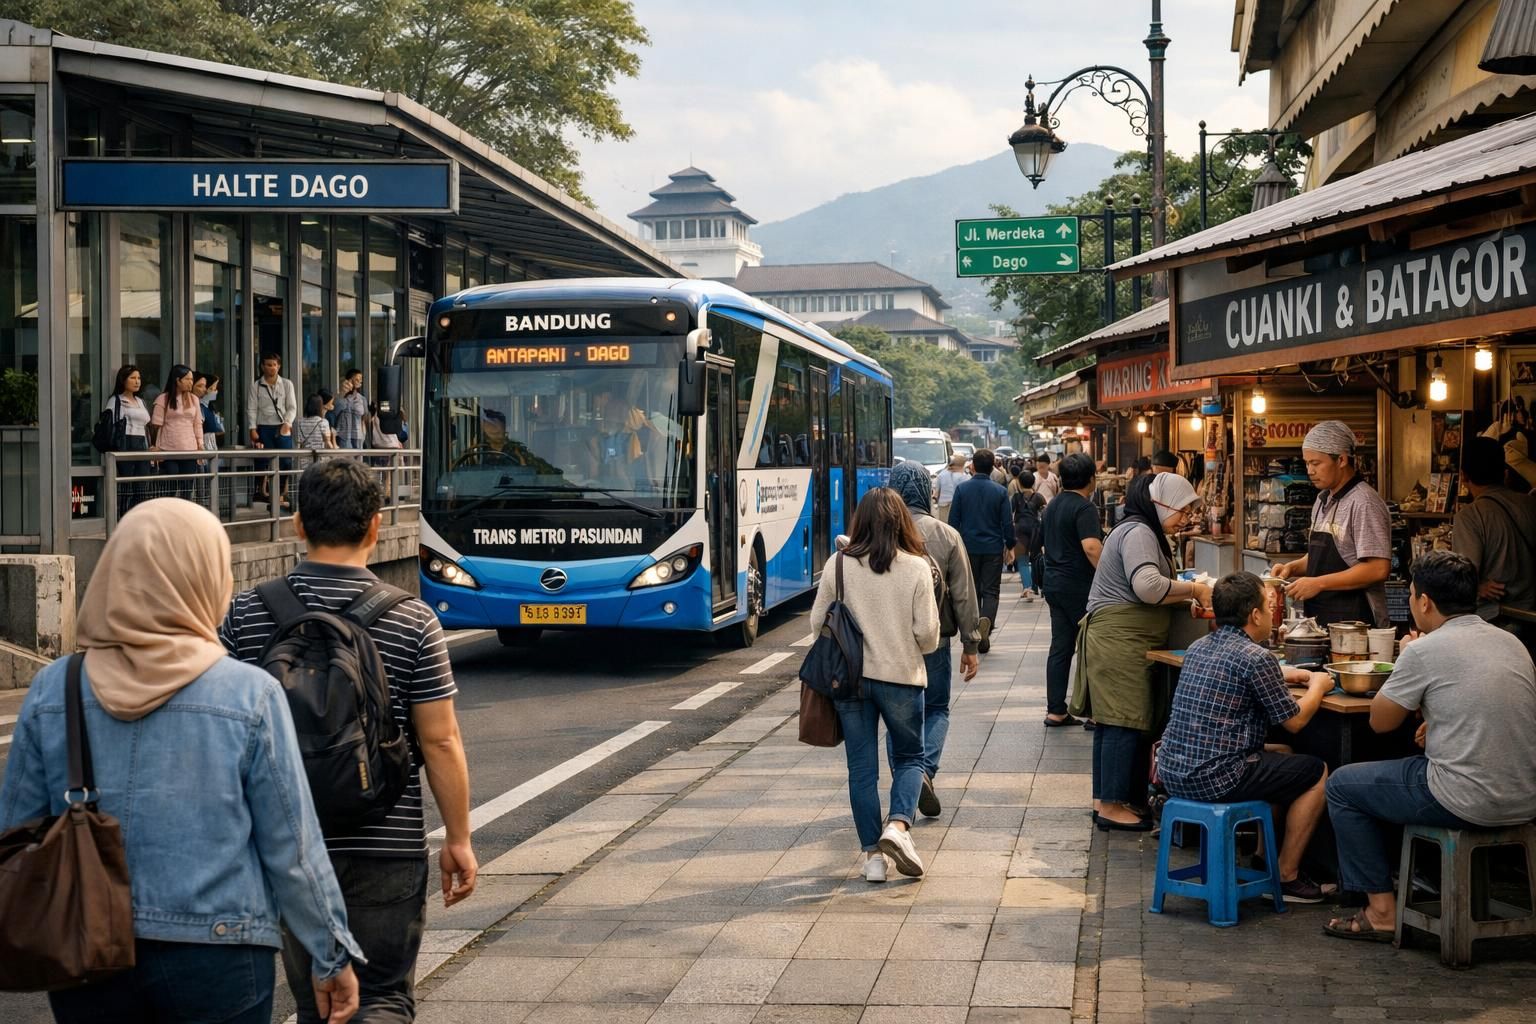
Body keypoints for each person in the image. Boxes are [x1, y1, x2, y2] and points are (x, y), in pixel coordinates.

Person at [0, 499, 361, 1024]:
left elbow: (16, 829)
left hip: (86, 950)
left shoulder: (55, 688)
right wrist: (330, 954)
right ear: (207, 576)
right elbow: (292, 846)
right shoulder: (249, 694)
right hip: (221, 949)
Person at [221, 459, 477, 1020]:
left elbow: (227, 737)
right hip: (387, 842)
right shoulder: (413, 620)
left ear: (298, 524)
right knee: (383, 998)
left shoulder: (246, 614)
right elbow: (440, 741)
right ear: (375, 527)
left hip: (288, 846)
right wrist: (458, 838)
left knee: (317, 1003)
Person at [1324, 550, 1536, 942]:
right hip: (1524, 796)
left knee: (1341, 786)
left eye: (1410, 595)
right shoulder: (1512, 643)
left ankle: (1381, 912)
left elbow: (1380, 722)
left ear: (1424, 602)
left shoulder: (1424, 650)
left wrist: (1406, 658)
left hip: (1462, 798)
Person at [1156, 571, 1335, 902]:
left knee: (1282, 754)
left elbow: (1241, 669)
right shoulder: (1257, 657)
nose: (1270, 612)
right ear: (1255, 615)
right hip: (1215, 777)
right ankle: (1287, 875)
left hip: (1173, 771)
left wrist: (1289, 674)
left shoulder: (1198, 647)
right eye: (1268, 607)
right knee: (1316, 772)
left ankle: (1262, 858)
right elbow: (1295, 721)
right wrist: (1318, 686)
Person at [811, 487, 940, 884]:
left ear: (860, 521)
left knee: (862, 770)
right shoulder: (916, 567)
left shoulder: (838, 564)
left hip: (850, 681)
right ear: (902, 522)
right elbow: (928, 635)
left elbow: (817, 624)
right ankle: (898, 826)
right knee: (910, 757)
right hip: (901, 678)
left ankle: (872, 858)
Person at [1071, 473, 1211, 830]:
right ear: (1159, 504)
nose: (1185, 518)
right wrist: (1195, 589)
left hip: (1121, 638)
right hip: (1120, 640)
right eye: (1182, 510)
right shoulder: (1139, 532)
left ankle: (1107, 801)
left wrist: (1185, 598)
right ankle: (1112, 806)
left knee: (1114, 721)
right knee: (1124, 720)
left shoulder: (1140, 530)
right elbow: (1147, 587)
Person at [887, 461, 983, 819]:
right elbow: (964, 595)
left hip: (890, 644)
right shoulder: (946, 534)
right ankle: (924, 770)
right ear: (927, 492)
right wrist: (971, 644)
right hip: (937, 640)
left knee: (897, 718)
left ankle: (907, 779)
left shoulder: (880, 532)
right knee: (937, 708)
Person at [1272, 420, 1391, 627]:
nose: (1310, 471)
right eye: (1307, 463)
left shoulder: (1364, 502)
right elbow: (1323, 556)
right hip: (1321, 618)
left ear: (1341, 460)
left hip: (1358, 622)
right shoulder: (1322, 500)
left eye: (1316, 463)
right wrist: (1292, 568)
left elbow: (1378, 568)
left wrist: (1318, 583)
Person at [1453, 435, 1536, 657]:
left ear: (1464, 476)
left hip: (1496, 621)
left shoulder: (1470, 516)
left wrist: (1477, 586)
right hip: (1531, 617)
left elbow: (1463, 577)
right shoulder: (1530, 504)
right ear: (1505, 473)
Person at [1041, 453, 1102, 728]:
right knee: (1093, 646)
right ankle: (1095, 712)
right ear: (1091, 479)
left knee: (1061, 648)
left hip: (1054, 583)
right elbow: (1091, 547)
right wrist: (1110, 575)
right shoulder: (1084, 507)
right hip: (1079, 586)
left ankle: (1056, 710)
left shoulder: (1052, 505)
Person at [948, 448, 1015, 654]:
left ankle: (976, 630)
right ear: (993, 466)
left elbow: (953, 522)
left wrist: (954, 548)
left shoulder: (962, 490)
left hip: (968, 547)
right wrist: (1010, 545)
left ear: (973, 466)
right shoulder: (1000, 491)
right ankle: (987, 625)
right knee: (991, 591)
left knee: (973, 590)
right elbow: (1007, 522)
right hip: (993, 548)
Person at [248, 352, 298, 508]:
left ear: (279, 366)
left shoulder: (287, 384)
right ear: (263, 366)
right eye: (268, 365)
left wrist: (287, 423)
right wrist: (252, 428)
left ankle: (281, 494)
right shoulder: (256, 386)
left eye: (274, 365)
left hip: (282, 427)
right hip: (263, 427)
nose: (272, 368)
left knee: (286, 461)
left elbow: (292, 407)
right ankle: (263, 493)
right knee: (262, 460)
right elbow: (252, 408)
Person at [150, 363, 205, 498]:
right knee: (170, 486)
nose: (190, 382)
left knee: (187, 488)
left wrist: (200, 444)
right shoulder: (163, 399)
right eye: (187, 379)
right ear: (178, 380)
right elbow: (155, 425)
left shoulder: (194, 399)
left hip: (190, 449)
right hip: (168, 449)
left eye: (192, 379)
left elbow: (197, 424)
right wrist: (154, 446)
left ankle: (184, 511)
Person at [106, 364, 153, 512]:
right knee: (126, 487)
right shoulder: (116, 400)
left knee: (142, 487)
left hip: (142, 445)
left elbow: (146, 426)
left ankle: (138, 518)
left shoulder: (141, 401)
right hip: (125, 444)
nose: (137, 381)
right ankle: (123, 518)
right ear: (123, 380)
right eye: (132, 378)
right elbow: (110, 424)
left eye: (139, 378)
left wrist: (150, 446)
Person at [1010, 469, 1046, 602]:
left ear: (1019, 483)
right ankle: (1036, 587)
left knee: (1023, 561)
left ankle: (1027, 588)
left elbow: (1010, 515)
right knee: (1036, 559)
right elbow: (1045, 514)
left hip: (1019, 531)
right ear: (1033, 482)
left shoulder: (1015, 498)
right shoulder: (1039, 497)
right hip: (1035, 530)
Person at [335, 368, 369, 450]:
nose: (360, 381)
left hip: (358, 436)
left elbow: (363, 419)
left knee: (358, 457)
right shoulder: (341, 396)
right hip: (344, 436)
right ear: (350, 380)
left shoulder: (362, 399)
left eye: (361, 379)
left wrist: (363, 434)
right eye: (357, 379)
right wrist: (343, 393)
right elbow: (335, 411)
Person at [934, 453, 968, 523]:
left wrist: (937, 501)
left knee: (944, 524)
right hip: (957, 504)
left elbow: (937, 492)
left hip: (943, 503)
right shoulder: (963, 476)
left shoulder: (941, 474)